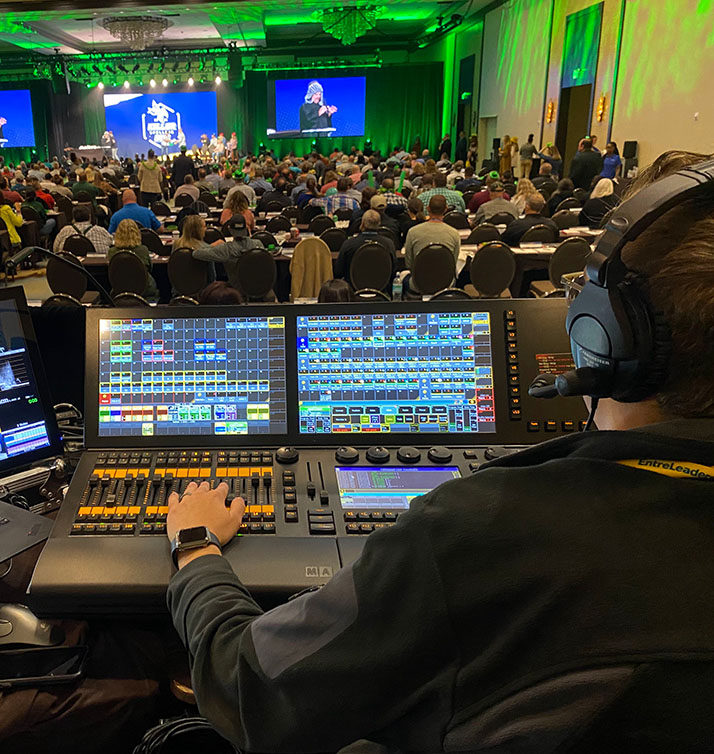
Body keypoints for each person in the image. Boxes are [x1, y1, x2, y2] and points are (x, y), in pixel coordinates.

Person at [191, 213, 265, 291]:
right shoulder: (258, 244)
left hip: (236, 290)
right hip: (259, 288)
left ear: (229, 229)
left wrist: (212, 246)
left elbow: (196, 254)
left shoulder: (225, 249)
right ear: (246, 228)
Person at [403, 195, 460, 294]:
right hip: (445, 284)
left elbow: (409, 264)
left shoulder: (413, 232)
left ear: (427, 208)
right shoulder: (454, 233)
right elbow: (452, 264)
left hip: (418, 284)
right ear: (445, 209)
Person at [334, 209, 396, 290]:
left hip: (353, 291)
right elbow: (393, 270)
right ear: (379, 224)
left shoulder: (349, 244)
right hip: (382, 290)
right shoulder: (389, 244)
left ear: (362, 223)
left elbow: (338, 272)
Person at [108, 219, 159, 301]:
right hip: (145, 290)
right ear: (137, 233)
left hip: (118, 290)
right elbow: (150, 268)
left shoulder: (112, 252)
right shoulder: (143, 250)